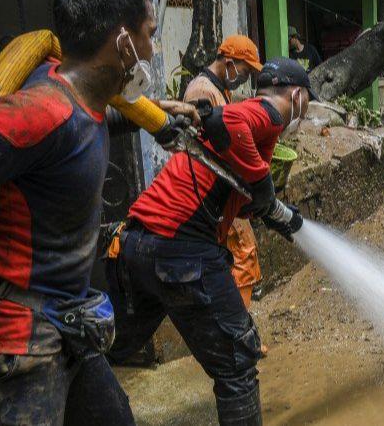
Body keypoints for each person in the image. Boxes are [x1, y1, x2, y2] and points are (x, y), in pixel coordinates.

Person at [0, 0, 198, 424]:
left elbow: (85, 127)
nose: (151, 50)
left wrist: (157, 114)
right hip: (25, 345)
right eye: (148, 33)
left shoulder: (75, 97)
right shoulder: (39, 112)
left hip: (68, 323)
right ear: (122, 40)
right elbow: (56, 130)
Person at [106, 57, 316, 426]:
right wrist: (263, 183)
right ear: (297, 95)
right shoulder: (270, 112)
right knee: (238, 363)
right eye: (306, 104)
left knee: (111, 350)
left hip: (134, 246)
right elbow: (229, 123)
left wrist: (271, 210)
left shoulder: (247, 116)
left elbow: (230, 186)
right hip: (182, 251)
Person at [182, 35, 264, 310]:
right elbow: (204, 148)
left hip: (222, 190)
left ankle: (238, 331)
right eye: (246, 71)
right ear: (229, 62)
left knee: (236, 260)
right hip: (212, 191)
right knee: (243, 255)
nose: (246, 78)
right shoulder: (202, 92)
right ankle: (240, 334)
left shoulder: (218, 88)